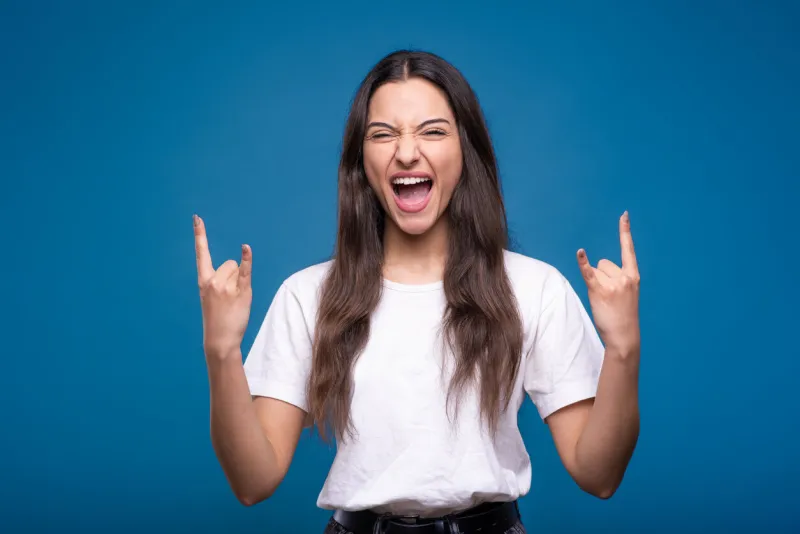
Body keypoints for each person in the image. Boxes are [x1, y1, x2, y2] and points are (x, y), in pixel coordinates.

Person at [192, 50, 641, 534]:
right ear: (360, 160)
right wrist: (221, 351)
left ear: (466, 151)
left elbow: (599, 475)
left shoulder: (534, 288)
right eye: (383, 134)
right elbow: (252, 481)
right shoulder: (307, 295)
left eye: (433, 131)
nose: (407, 152)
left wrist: (623, 348)